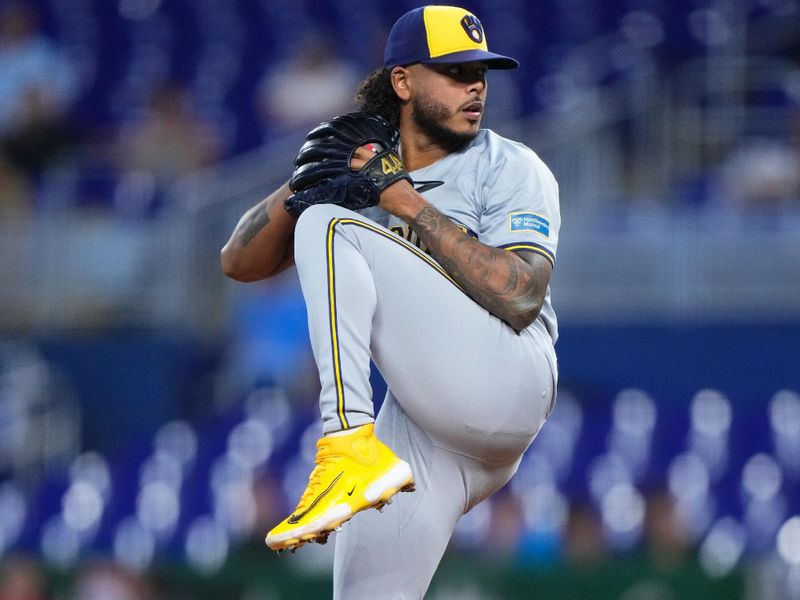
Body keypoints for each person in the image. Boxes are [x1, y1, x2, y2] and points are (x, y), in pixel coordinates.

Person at [221, 5, 561, 598]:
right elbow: (238, 263)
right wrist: (307, 175)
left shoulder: (509, 165)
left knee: (329, 224)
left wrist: (402, 200)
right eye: (454, 72)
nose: (475, 84)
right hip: (423, 421)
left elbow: (524, 294)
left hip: (507, 376)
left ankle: (347, 445)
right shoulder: (370, 160)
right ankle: (359, 451)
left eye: (480, 72)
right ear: (402, 82)